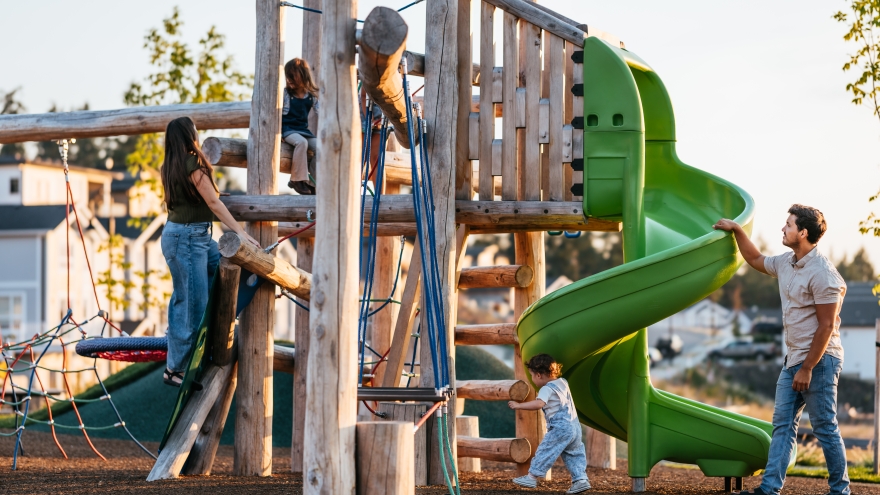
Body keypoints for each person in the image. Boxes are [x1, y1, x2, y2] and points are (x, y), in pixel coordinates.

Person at [713, 205, 850, 495]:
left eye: (788, 225)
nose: (782, 229)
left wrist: (807, 368)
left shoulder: (824, 274)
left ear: (803, 232)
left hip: (819, 361)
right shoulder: (786, 263)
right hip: (794, 360)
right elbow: (755, 258)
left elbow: (826, 327)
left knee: (824, 426)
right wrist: (737, 230)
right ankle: (769, 489)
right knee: (782, 426)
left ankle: (841, 490)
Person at [160, 116, 260, 387]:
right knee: (192, 303)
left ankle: (216, 330)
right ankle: (176, 369)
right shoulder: (193, 162)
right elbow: (213, 203)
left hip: (192, 237)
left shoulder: (170, 166)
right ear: (189, 135)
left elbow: (203, 198)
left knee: (227, 274)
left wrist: (215, 198)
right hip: (187, 239)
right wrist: (241, 234)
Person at [508, 354, 591, 494]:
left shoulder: (546, 389)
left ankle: (532, 477)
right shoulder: (563, 382)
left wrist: (518, 405)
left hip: (560, 427)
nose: (533, 379)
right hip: (574, 427)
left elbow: (539, 403)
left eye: (532, 375)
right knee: (574, 453)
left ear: (539, 375)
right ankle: (580, 479)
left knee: (546, 450)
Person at [282, 58, 319, 195]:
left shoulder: (311, 96)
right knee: (301, 143)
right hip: (287, 129)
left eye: (292, 76)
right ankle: (297, 180)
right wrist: (278, 134)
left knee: (321, 147)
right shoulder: (285, 94)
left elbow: (323, 113)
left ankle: (312, 182)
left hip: (303, 130)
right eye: (288, 77)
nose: (289, 80)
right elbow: (276, 114)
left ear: (303, 76)